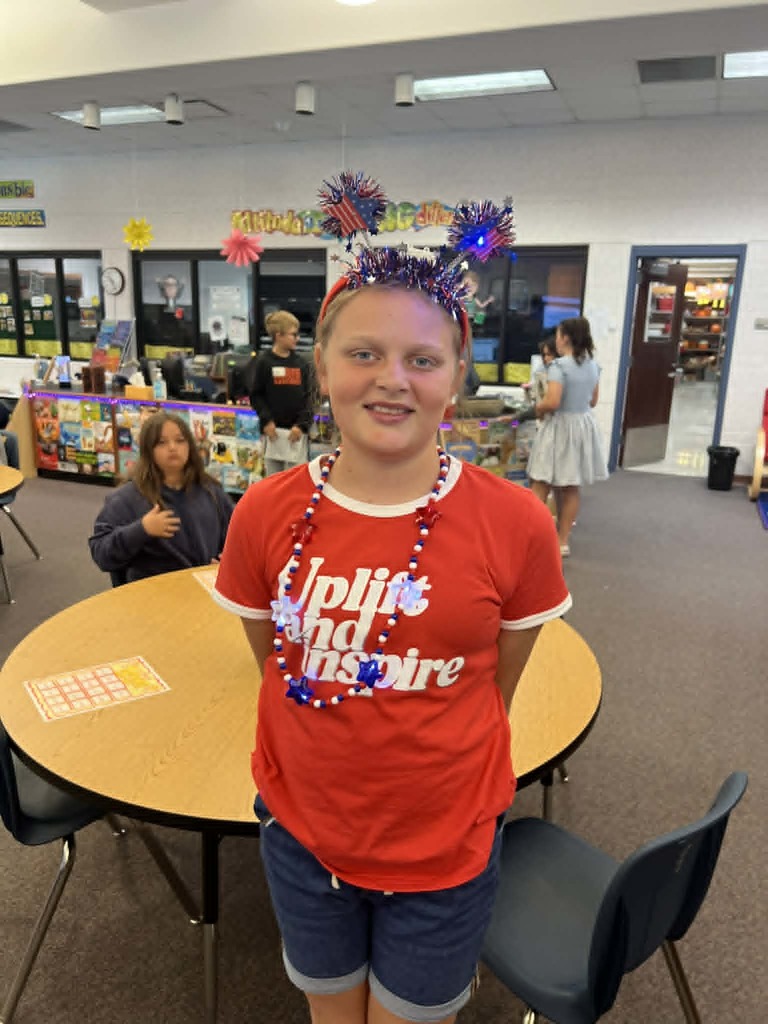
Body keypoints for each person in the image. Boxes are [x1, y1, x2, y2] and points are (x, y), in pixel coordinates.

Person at [213, 250, 571, 1024]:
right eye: (364, 353)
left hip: (444, 845)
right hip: (304, 836)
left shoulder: (517, 524)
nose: (392, 378)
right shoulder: (264, 514)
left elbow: (493, 689)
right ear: (322, 364)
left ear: (455, 377)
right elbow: (276, 665)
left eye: (422, 359)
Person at [89, 411, 234, 583]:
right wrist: (141, 530)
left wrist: (226, 561)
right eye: (161, 442)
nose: (173, 447)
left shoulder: (211, 491)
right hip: (152, 597)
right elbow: (101, 554)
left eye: (180, 440)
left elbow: (238, 538)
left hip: (203, 592)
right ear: (148, 450)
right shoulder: (127, 498)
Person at [526, 316, 608, 558]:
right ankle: (562, 541)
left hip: (559, 427)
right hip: (582, 425)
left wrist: (536, 408)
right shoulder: (593, 365)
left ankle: (532, 539)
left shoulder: (559, 367)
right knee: (570, 486)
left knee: (540, 482)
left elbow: (552, 402)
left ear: (566, 338)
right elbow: (592, 401)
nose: (558, 340)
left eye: (560, 335)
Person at [248, 310, 313, 475]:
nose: (297, 338)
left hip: (296, 435)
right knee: (273, 482)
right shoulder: (264, 362)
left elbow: (310, 398)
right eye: (293, 334)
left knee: (295, 481)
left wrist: (302, 425)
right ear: (279, 336)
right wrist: (266, 421)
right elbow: (256, 395)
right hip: (273, 434)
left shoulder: (301, 364)